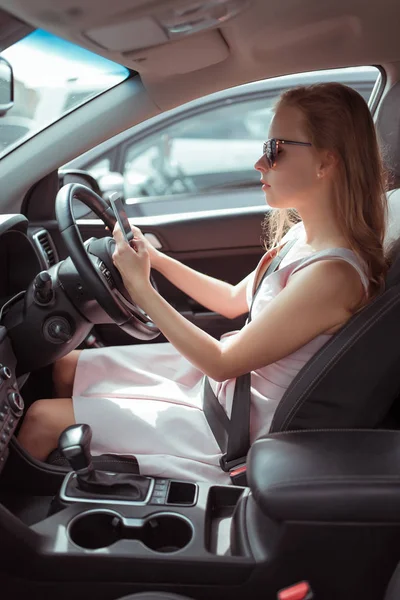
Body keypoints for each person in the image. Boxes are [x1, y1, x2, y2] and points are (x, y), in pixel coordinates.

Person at [18, 82, 388, 483]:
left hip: (227, 425)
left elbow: (222, 362)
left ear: (325, 162)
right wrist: (157, 261)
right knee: (66, 366)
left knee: (40, 418)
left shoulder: (332, 275)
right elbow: (232, 301)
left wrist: (141, 287)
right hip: (219, 388)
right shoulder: (303, 238)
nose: (259, 164)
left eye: (275, 150)